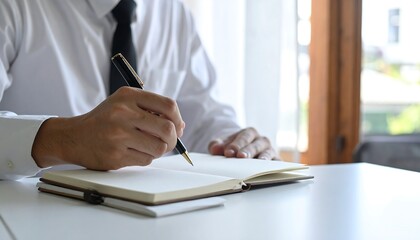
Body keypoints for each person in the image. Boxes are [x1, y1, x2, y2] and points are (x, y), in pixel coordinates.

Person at [0, 0, 277, 181]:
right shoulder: (13, 7)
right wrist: (64, 139)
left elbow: (204, 116)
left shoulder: (173, 13)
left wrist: (235, 143)